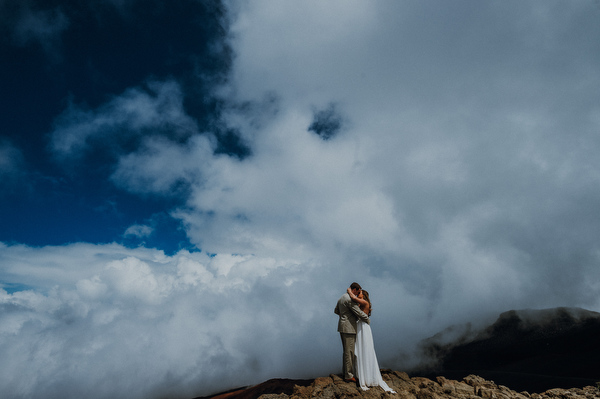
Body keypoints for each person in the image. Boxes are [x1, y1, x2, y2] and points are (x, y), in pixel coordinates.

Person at [347, 287, 396, 393]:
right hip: (360, 326)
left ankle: (367, 376)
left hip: (363, 328)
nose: (357, 294)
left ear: (363, 295)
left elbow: (352, 298)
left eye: (359, 293)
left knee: (365, 349)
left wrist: (349, 290)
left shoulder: (364, 303)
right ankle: (362, 375)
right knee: (359, 350)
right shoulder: (360, 304)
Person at [334, 282, 370, 383]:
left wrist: (344, 316)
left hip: (342, 327)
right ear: (354, 289)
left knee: (346, 351)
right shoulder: (349, 299)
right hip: (349, 328)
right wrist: (367, 319)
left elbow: (336, 311)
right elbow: (358, 312)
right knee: (349, 352)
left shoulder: (341, 298)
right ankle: (349, 375)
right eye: (357, 292)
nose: (357, 295)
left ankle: (346, 372)